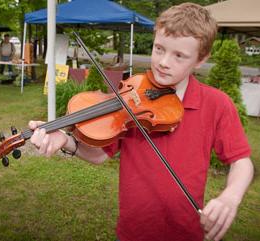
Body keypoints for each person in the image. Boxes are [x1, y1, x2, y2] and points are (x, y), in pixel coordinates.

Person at [28, 3, 254, 241]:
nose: (164, 62)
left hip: (187, 232)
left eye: (179, 56)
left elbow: (241, 162)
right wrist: (65, 139)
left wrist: (231, 197)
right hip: (133, 232)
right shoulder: (131, 96)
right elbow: (99, 155)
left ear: (201, 59)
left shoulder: (217, 104)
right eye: (159, 49)